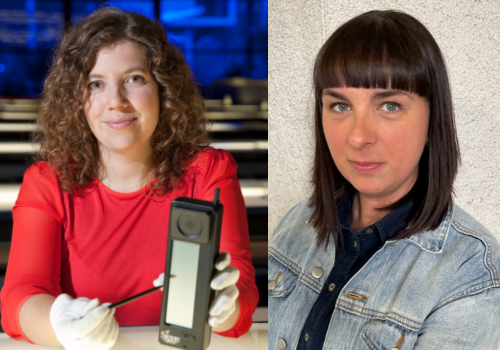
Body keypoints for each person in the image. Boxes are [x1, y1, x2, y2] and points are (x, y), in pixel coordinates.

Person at [0, 6, 258, 349]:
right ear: (77, 100)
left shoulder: (208, 170)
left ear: (162, 89)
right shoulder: (47, 182)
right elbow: (20, 295)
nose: (116, 102)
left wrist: (224, 306)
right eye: (95, 84)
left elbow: (239, 289)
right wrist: (60, 323)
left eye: (134, 79)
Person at [268, 10, 500, 350]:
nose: (358, 137)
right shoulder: (296, 224)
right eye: (340, 106)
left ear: (432, 118)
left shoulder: (471, 275)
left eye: (389, 105)